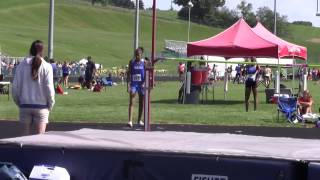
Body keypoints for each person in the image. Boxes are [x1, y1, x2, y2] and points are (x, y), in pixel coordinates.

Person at [12, 40, 55, 136]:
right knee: (40, 139)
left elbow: (15, 88)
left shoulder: (21, 66)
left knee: (23, 139)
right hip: (41, 106)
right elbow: (49, 88)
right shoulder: (47, 66)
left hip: (25, 105)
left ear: (30, 50)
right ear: (42, 51)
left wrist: (19, 103)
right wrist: (50, 104)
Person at [127, 48, 145, 128]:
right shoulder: (132, 62)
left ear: (141, 55)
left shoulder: (144, 62)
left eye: (138, 55)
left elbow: (148, 72)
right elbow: (128, 74)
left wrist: (145, 83)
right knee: (132, 102)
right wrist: (128, 85)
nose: (137, 56)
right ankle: (130, 121)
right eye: (136, 54)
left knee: (141, 102)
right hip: (134, 84)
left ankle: (139, 120)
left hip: (141, 85)